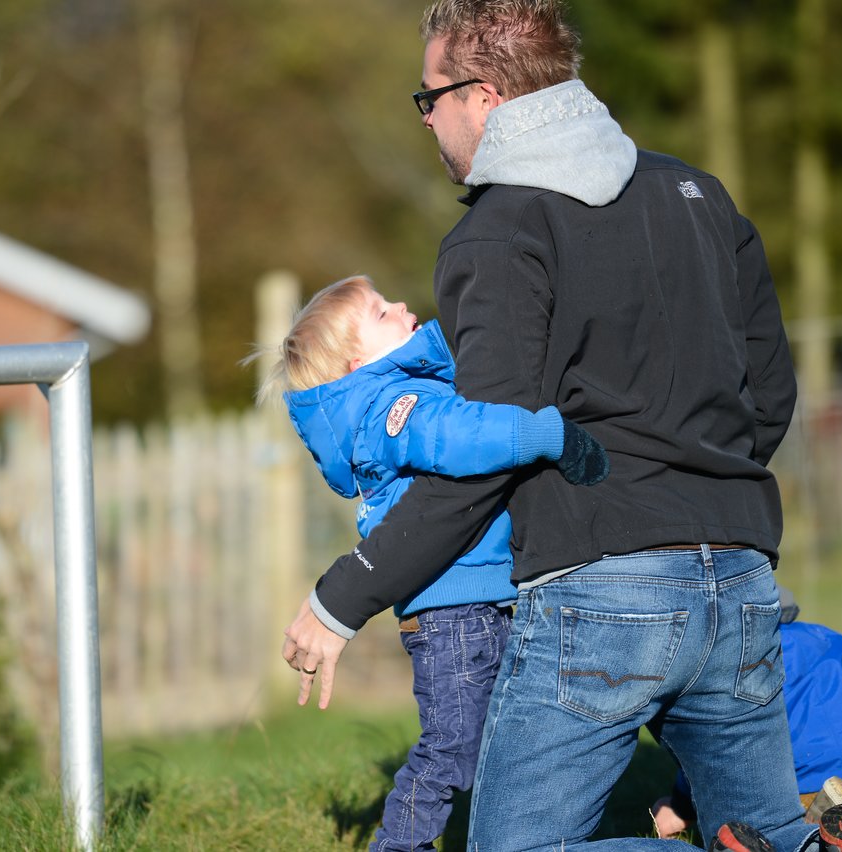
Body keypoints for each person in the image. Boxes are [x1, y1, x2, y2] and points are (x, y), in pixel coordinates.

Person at [278, 2, 842, 850]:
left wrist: (340, 599)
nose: (428, 122)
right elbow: (772, 389)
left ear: (485, 96)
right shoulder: (700, 195)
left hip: (605, 593)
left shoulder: (496, 232)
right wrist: (704, 488)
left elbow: (483, 453)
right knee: (764, 831)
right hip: (745, 574)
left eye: (430, 98)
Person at [258, 273, 608, 851]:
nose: (399, 305)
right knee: (452, 747)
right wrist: (547, 433)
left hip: (467, 605)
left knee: (499, 737)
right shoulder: (394, 405)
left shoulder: (392, 396)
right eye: (378, 313)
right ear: (354, 363)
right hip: (457, 613)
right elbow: (460, 436)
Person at [652, 589, 842, 838]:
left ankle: (838, 827)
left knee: (748, 835)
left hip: (830, 780)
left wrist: (681, 805)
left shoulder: (738, 658)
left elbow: (711, 743)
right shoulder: (818, 636)